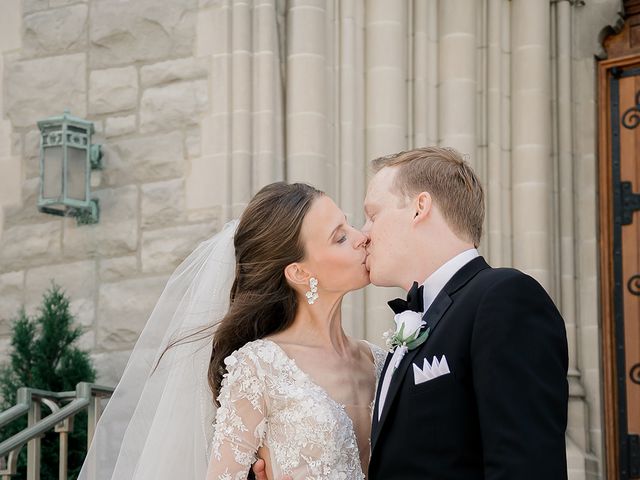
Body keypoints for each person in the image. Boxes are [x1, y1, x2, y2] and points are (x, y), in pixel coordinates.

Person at [254, 146, 569, 480]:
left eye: (373, 215)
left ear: (420, 208)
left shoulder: (504, 299)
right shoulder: (406, 336)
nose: (364, 234)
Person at [78, 182, 385, 480]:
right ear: (299, 272)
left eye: (348, 225)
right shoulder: (259, 368)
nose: (362, 237)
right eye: (339, 237)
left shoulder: (383, 361)